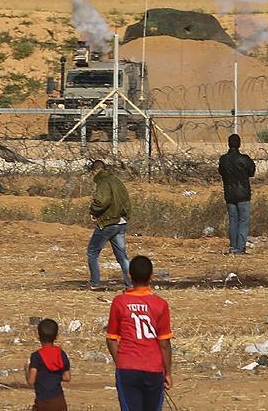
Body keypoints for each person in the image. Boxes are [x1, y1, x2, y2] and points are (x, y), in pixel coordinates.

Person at [106, 255, 173, 411]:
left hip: (127, 368)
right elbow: (164, 343)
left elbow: (111, 339)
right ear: (151, 276)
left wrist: (121, 362)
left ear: (129, 275)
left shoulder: (119, 302)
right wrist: (168, 373)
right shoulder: (160, 304)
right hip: (153, 368)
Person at [87, 160, 132, 290]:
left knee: (92, 252)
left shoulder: (103, 182)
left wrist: (93, 210)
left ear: (95, 170)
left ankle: (95, 283)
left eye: (92, 173)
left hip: (109, 222)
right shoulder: (116, 180)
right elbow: (125, 200)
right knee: (122, 256)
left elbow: (102, 201)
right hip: (121, 222)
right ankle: (131, 284)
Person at [218, 133, 256, 254]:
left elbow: (221, 172)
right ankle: (240, 248)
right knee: (243, 221)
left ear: (228, 144)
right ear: (239, 144)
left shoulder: (223, 160)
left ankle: (233, 246)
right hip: (243, 194)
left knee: (233, 220)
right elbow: (252, 172)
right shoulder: (244, 159)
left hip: (229, 194)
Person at [26, 318, 71, 411]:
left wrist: (26, 369)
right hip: (60, 402)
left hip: (43, 403)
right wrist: (54, 376)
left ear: (38, 336)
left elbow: (31, 381)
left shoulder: (36, 356)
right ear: (57, 336)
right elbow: (67, 377)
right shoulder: (61, 353)